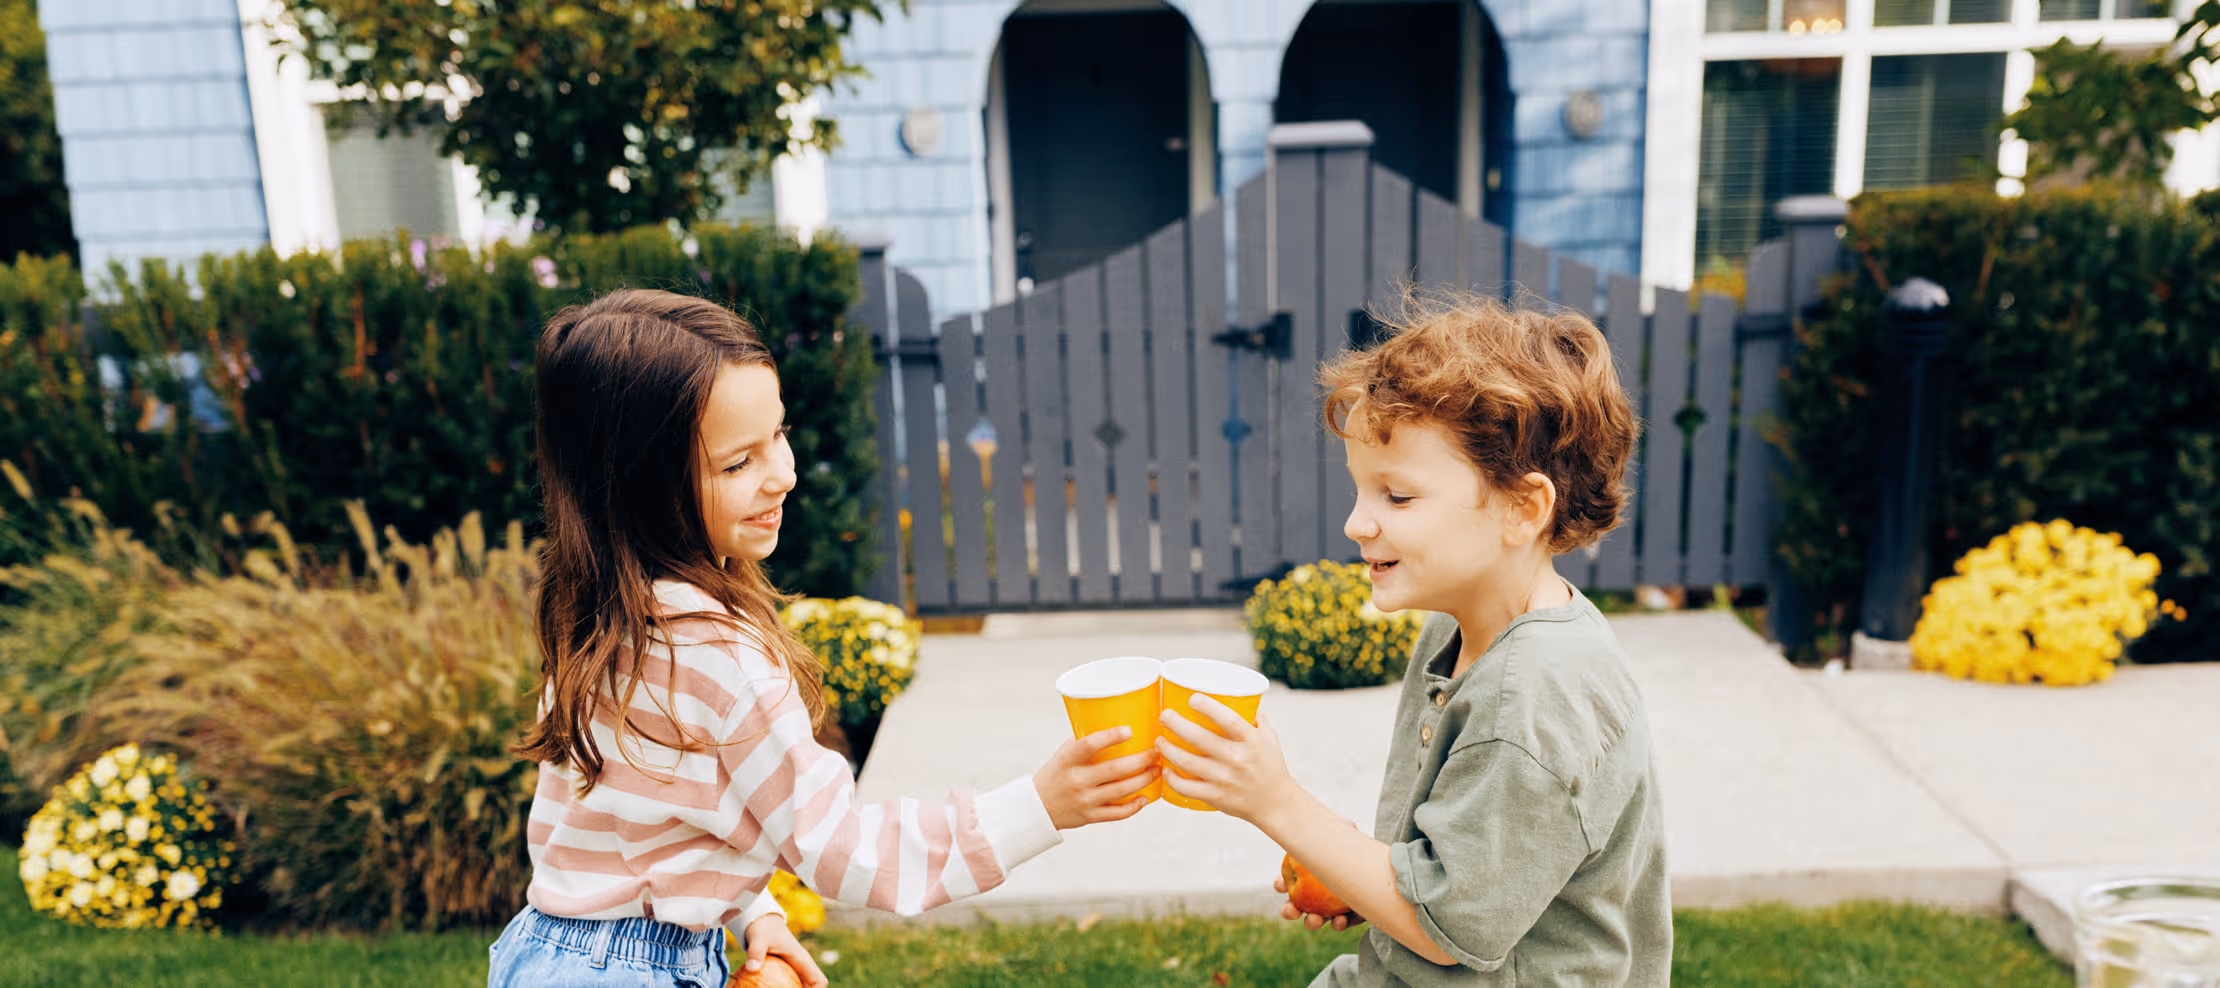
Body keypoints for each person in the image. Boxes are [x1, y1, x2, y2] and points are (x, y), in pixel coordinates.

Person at [487, 289, 1157, 987]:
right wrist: (1040, 806)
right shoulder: (721, 661)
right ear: (640, 487)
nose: (784, 473)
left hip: (547, 954)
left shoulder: (601, 619)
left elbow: (644, 831)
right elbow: (844, 850)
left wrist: (757, 916)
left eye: (777, 435)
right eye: (737, 463)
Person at [1156, 294, 1671, 986]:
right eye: (1361, 491)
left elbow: (1449, 924)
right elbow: (1460, 875)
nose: (1356, 524)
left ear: (1523, 508)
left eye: (1396, 498)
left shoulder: (1535, 694)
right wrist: (1359, 874)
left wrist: (1275, 801)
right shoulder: (1460, 626)